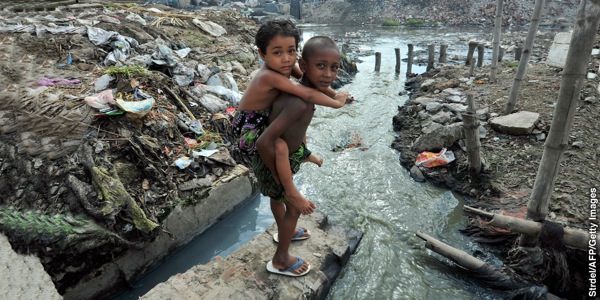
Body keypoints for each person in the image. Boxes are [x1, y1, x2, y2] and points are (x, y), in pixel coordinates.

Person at [232, 20, 348, 217]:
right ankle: (289, 187)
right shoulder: (268, 75)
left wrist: (332, 93)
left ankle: (304, 153)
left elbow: (309, 77)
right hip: (248, 129)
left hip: (262, 116)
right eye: (277, 53)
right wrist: (336, 102)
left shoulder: (285, 66)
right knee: (281, 145)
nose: (286, 59)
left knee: (297, 126)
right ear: (262, 55)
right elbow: (306, 93)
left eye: (291, 51)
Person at [257, 35, 344, 276]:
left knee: (278, 201)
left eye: (334, 68)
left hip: (284, 157)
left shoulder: (305, 94)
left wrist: (306, 154)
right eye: (321, 66)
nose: (328, 74)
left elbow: (294, 134)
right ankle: (281, 259)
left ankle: (286, 231)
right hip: (272, 159)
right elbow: (267, 141)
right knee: (294, 207)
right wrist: (286, 186)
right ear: (304, 66)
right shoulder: (299, 102)